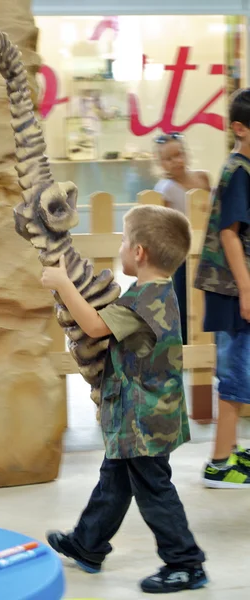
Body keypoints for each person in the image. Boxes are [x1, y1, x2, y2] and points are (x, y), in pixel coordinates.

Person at [41, 204, 207, 594]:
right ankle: (88, 543)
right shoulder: (157, 291)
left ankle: (185, 562)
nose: (120, 244)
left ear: (139, 253)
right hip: (145, 417)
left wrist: (63, 284)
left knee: (153, 491)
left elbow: (96, 327)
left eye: (124, 238)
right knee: (113, 481)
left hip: (143, 421)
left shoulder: (143, 301)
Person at [195, 88, 250, 488]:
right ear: (240, 129)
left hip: (238, 287)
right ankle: (218, 463)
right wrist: (247, 290)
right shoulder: (237, 172)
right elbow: (230, 235)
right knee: (234, 374)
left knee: (241, 371)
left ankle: (231, 451)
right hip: (233, 290)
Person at [154, 133, 211, 344]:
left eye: (179, 154)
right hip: (182, 255)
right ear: (160, 162)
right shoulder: (164, 189)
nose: (176, 161)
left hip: (207, 247)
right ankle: (186, 340)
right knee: (185, 297)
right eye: (169, 158)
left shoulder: (202, 178)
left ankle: (209, 336)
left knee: (208, 294)